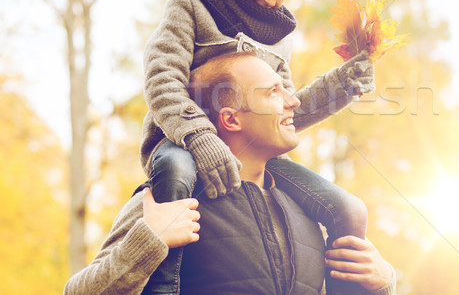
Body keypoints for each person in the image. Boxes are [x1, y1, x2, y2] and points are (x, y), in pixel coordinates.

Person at [141, 0, 375, 294]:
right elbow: (162, 79)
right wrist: (200, 137)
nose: (273, 1)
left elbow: (282, 108)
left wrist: (342, 85)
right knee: (177, 174)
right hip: (181, 140)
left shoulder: (279, 38)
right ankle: (163, 285)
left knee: (347, 208)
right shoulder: (192, 8)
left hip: (251, 149)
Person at [64, 52, 395, 294]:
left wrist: (383, 283)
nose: (293, 101)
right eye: (272, 92)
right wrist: (147, 243)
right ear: (231, 119)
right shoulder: (170, 202)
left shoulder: (307, 210)